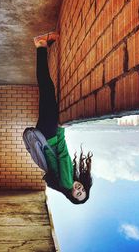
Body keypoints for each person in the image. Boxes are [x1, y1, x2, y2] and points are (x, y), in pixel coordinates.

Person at [32, 32, 93, 204]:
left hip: (51, 135)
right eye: (83, 190)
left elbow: (63, 154)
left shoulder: (66, 182)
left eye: (78, 194)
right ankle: (43, 48)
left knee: (46, 87)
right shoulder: (62, 184)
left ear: (71, 196)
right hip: (46, 135)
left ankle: (40, 44)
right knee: (46, 90)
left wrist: (61, 129)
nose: (79, 189)